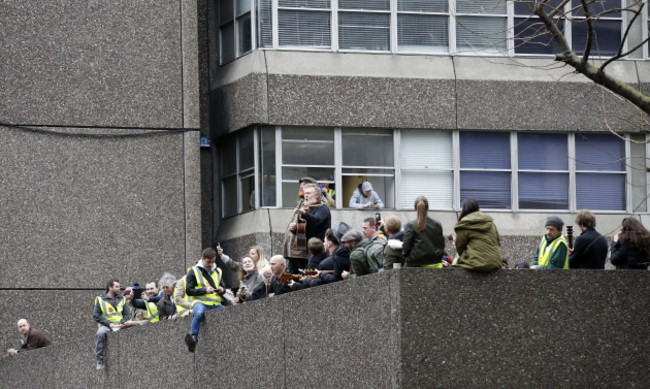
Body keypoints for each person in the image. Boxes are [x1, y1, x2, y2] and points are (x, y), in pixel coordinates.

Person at [184, 248, 225, 353]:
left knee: (226, 312)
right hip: (199, 302)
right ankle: (193, 338)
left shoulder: (218, 271)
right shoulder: (193, 271)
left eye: (213, 261)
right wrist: (204, 290)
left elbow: (223, 287)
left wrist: (221, 289)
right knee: (199, 313)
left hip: (215, 303)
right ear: (203, 259)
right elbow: (188, 291)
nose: (211, 264)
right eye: (208, 262)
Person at [287, 183, 332, 273]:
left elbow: (317, 221)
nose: (305, 196)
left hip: (318, 250)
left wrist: (303, 213)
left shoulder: (323, 208)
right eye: (305, 193)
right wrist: (295, 229)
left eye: (308, 193)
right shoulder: (308, 209)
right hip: (306, 249)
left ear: (316, 195)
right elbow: (305, 230)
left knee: (310, 274)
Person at [452, 198, 502, 272]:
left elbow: (460, 248)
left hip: (475, 263)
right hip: (495, 263)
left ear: (464, 209)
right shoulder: (490, 223)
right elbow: (498, 241)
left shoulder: (464, 224)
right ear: (477, 208)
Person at [93, 279, 132, 369]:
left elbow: (126, 314)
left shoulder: (122, 299)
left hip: (120, 325)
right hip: (107, 326)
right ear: (110, 288)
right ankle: (100, 359)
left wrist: (123, 322)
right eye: (117, 286)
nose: (119, 288)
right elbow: (96, 316)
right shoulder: (100, 299)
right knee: (100, 333)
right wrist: (108, 324)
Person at [402, 196, 445, 268]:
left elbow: (406, 247)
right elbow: (441, 245)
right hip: (436, 263)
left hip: (415, 264)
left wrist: (407, 257)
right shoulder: (437, 224)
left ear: (415, 208)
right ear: (428, 207)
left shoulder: (411, 225)